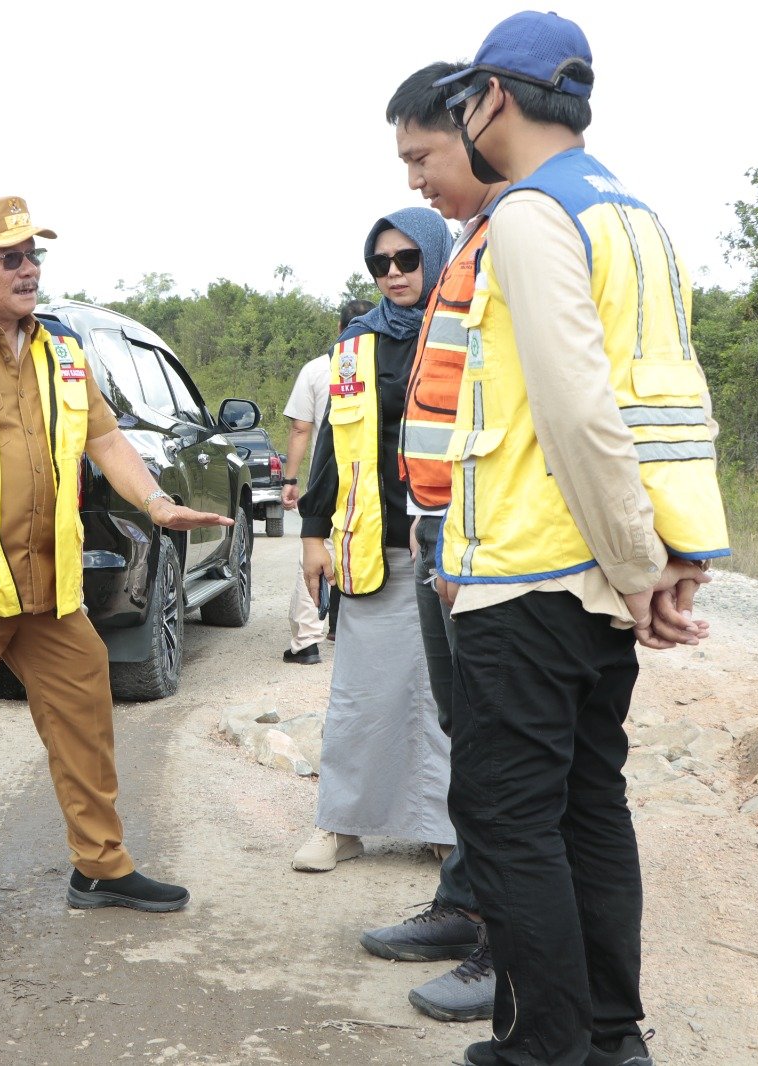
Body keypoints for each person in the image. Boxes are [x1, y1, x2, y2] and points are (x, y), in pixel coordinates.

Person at [432, 13, 727, 1065]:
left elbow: (578, 411)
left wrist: (639, 564)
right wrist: (670, 557)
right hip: (600, 573)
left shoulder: (529, 213)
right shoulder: (634, 215)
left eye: (462, 104)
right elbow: (667, 400)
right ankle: (608, 1039)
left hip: (533, 571)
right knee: (588, 806)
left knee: (508, 819)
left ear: (491, 99)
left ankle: (540, 1049)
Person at [0, 195, 226, 941]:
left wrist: (158, 505)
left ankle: (102, 867)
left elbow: (107, 440)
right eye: (11, 258)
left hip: (47, 584)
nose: (29, 270)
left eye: (35, 256)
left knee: (86, 720)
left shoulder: (61, 346)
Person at [352, 60, 509, 1027]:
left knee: (503, 748)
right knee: (466, 734)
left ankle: (512, 948)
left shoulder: (522, 233)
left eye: (423, 156)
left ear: (478, 123)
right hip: (439, 523)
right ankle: (467, 901)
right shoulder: (470, 242)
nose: (414, 178)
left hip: (489, 535)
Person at [293, 206, 452, 874]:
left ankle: (446, 831)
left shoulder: (469, 329)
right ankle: (343, 825)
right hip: (374, 546)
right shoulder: (358, 344)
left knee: (450, 697)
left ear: (435, 258)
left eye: (408, 259)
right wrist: (312, 533)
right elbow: (333, 443)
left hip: (456, 544)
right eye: (380, 263)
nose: (393, 273)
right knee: (363, 695)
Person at [281, 297, 371, 663]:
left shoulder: (318, 368)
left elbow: (301, 429)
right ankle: (351, 631)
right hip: (371, 480)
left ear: (339, 329)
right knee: (364, 548)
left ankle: (307, 642)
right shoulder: (384, 364)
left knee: (316, 550)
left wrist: (290, 478)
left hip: (327, 478)